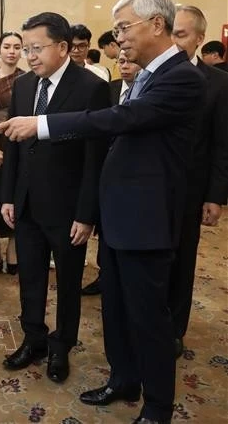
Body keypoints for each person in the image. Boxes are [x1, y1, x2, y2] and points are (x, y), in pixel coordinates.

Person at [0, 0, 206, 424]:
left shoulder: (180, 77)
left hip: (146, 220)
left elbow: (116, 122)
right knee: (117, 310)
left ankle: (158, 407)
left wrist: (42, 125)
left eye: (125, 26)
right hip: (119, 217)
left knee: (149, 317)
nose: (119, 37)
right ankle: (124, 379)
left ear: (157, 25)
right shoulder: (144, 75)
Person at [0, 12, 110, 384]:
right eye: (25, 48)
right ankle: (34, 339)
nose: (29, 56)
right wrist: (9, 196)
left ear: (62, 47)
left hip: (67, 210)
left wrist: (86, 213)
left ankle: (61, 346)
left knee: (67, 282)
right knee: (29, 278)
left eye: (36, 48)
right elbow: (15, 145)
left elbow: (95, 158)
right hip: (27, 203)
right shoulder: (26, 85)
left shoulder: (90, 87)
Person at [170, 5, 228, 357]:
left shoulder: (218, 83)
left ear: (199, 38)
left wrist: (216, 196)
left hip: (190, 191)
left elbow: (222, 144)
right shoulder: (146, 75)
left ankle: (174, 330)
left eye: (182, 35)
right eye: (171, 34)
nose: (175, 43)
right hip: (148, 190)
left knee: (181, 261)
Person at [81, 49, 141, 296]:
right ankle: (105, 276)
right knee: (105, 233)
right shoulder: (109, 89)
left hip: (136, 176)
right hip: (106, 171)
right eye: (121, 62)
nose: (125, 66)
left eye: (131, 62)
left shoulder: (148, 92)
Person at [0, 32, 26, 274]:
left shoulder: (28, 79)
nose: (12, 51)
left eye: (17, 47)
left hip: (19, 142)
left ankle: (14, 253)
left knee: (17, 196)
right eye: (7, 46)